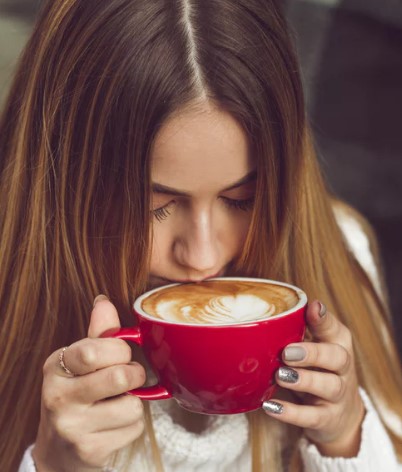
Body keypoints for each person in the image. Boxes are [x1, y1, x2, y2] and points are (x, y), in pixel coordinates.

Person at [0, 0, 400, 471]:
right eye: (154, 207)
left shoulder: (343, 251)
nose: (203, 256)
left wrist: (346, 435)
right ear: (65, 184)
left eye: (241, 199)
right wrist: (52, 464)